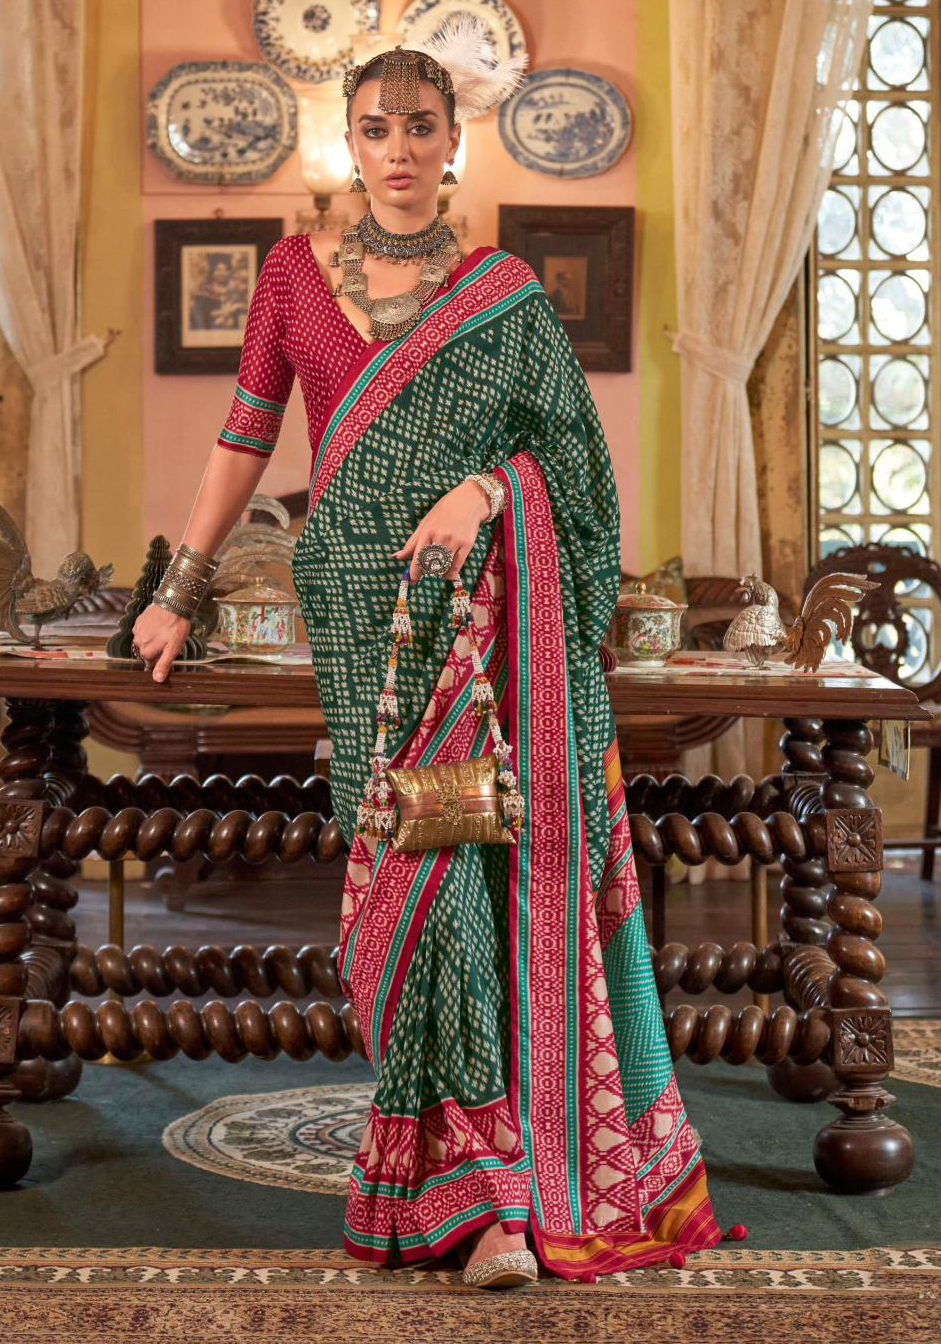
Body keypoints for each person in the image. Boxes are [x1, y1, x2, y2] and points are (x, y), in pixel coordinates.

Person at [132, 15, 739, 1290]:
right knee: (404, 882)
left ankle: (495, 1202)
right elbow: (244, 438)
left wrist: (485, 490)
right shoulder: (291, 276)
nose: (398, 149)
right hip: (359, 610)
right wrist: (180, 588)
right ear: (348, 144)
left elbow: (574, 470)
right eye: (375, 129)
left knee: (470, 869)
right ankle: (453, 1179)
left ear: (453, 142)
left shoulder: (502, 295)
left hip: (483, 614)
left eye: (419, 127)